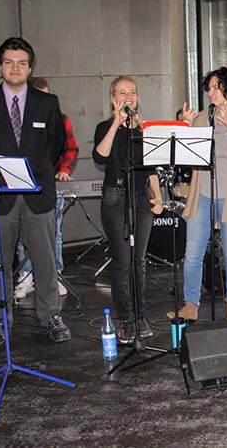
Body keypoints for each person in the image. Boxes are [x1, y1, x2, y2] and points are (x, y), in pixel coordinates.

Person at [0, 37, 70, 349]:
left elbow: (55, 145)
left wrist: (34, 171)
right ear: (1, 65)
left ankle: (51, 315)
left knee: (45, 260)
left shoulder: (47, 103)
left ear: (29, 67)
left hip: (37, 194)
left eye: (22, 63)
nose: (15, 68)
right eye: (9, 62)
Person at [174, 67, 227, 321]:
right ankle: (191, 304)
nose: (209, 92)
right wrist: (186, 127)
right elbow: (188, 157)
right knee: (193, 253)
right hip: (202, 194)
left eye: (214, 87)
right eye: (208, 88)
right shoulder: (204, 118)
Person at [93, 76, 164, 344]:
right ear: (113, 99)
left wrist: (158, 198)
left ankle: (140, 316)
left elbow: (152, 168)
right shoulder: (104, 127)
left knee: (138, 261)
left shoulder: (145, 130)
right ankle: (125, 318)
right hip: (115, 198)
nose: (128, 96)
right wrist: (116, 123)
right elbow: (100, 157)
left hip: (141, 198)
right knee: (122, 261)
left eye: (132, 92)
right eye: (122, 92)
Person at [14, 77, 78, 301]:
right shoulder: (16, 122)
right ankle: (26, 275)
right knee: (25, 236)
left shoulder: (61, 120)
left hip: (51, 184)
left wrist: (64, 170)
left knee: (54, 233)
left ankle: (55, 274)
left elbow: (70, 148)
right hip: (23, 184)